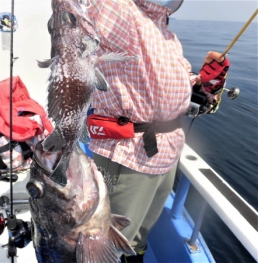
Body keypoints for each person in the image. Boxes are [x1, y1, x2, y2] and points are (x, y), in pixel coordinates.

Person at [86, 0, 230, 262]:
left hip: (166, 151)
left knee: (141, 232)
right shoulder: (120, 11)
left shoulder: (165, 32)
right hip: (129, 154)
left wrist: (206, 82)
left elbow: (179, 85)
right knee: (112, 238)